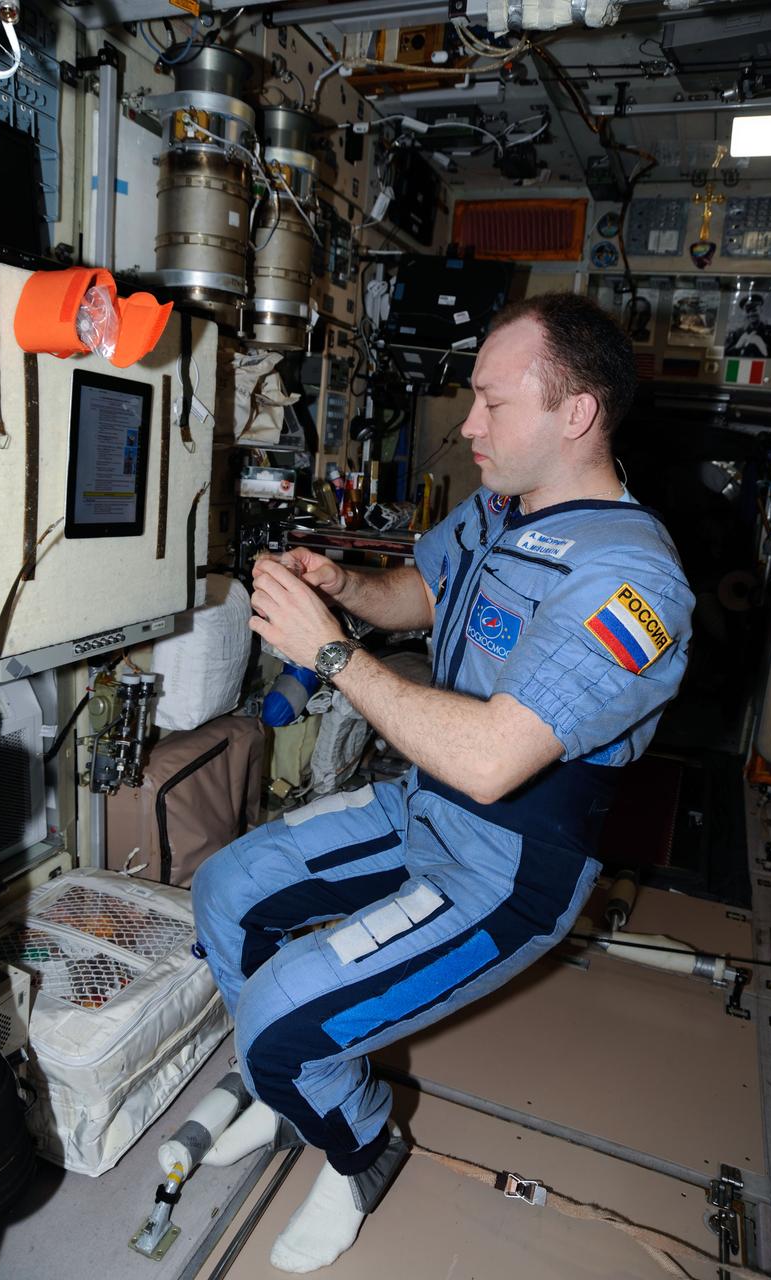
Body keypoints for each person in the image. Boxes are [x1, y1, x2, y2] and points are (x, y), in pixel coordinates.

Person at [191, 292, 694, 1274]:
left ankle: (361, 1147)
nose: (467, 425)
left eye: (492, 402)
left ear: (575, 413)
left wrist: (330, 652)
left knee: (280, 1018)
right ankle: (286, 1079)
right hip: (426, 801)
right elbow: (423, 590)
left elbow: (492, 759)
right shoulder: (502, 503)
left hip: (511, 859)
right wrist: (346, 590)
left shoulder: (633, 584)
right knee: (226, 889)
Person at [724, 292, 771, 358]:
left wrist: (762, 345)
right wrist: (737, 346)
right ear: (744, 313)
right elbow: (725, 355)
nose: (751, 314)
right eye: (747, 311)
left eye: (754, 310)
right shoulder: (737, 333)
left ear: (761, 310)